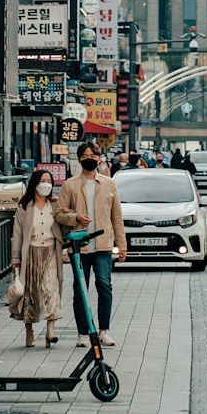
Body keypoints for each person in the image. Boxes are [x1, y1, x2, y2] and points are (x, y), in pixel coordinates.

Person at [56, 140, 128, 347]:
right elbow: (59, 213)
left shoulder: (109, 183)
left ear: (99, 158)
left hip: (103, 246)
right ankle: (83, 333)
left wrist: (121, 245)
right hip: (79, 246)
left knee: (104, 286)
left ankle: (104, 330)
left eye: (93, 156)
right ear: (79, 159)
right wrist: (75, 217)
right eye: (86, 156)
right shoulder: (70, 185)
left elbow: (117, 217)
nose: (90, 159)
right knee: (80, 289)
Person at [10, 168, 84, 348]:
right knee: (31, 293)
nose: (46, 184)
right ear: (34, 183)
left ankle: (51, 330)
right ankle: (29, 330)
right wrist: (15, 259)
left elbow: (65, 229)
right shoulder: (24, 207)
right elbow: (17, 235)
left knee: (51, 289)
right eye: (43, 180)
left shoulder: (55, 206)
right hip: (31, 253)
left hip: (51, 251)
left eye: (49, 181)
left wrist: (68, 214)